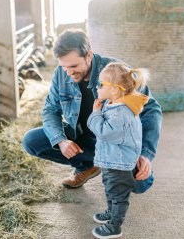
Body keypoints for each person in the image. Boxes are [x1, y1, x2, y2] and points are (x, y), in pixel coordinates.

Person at [22, 28, 162, 191]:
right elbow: (50, 110)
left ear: (88, 55)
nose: (68, 73)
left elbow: (151, 110)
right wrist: (61, 141)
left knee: (139, 184)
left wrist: (145, 153)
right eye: (64, 66)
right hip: (83, 138)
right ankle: (87, 165)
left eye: (73, 66)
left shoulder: (116, 72)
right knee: (31, 141)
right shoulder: (61, 74)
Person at [87, 62, 149, 238]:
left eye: (100, 84)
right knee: (110, 188)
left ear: (114, 90)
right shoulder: (114, 104)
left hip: (119, 163)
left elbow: (105, 132)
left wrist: (95, 113)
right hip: (112, 159)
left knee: (118, 193)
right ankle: (111, 211)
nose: (97, 87)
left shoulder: (120, 113)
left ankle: (115, 225)